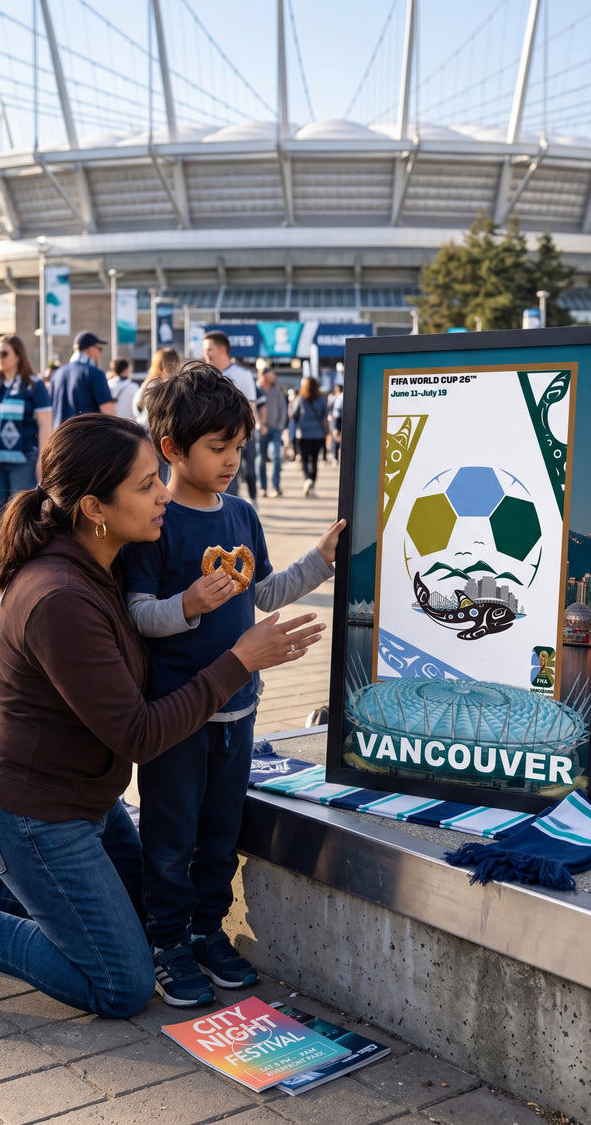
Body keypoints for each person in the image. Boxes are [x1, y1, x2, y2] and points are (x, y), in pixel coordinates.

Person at [0, 414, 324, 1015]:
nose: (165, 493)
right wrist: (240, 659)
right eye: (145, 485)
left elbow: (230, 600)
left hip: (87, 802)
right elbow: (140, 734)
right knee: (121, 983)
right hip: (33, 813)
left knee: (150, 918)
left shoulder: (107, 563)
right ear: (94, 508)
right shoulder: (61, 596)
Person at [120, 362, 345, 1007]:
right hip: (176, 718)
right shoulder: (156, 520)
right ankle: (165, 940)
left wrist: (320, 562)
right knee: (170, 834)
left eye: (239, 447)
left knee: (222, 830)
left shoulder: (242, 515)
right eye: (218, 448)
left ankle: (206, 929)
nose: (231, 460)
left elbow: (261, 594)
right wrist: (187, 602)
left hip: (239, 710)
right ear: (171, 449)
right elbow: (138, 614)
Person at [0, 335, 53, 525]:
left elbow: (45, 424)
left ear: (18, 355)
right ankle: (13, 545)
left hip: (24, 458)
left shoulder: (34, 386)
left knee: (22, 513)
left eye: (4, 353)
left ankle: (23, 552)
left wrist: (43, 460)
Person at [202, 332, 257, 503]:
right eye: (205, 350)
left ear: (222, 349)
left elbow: (250, 407)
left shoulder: (242, 375)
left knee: (245, 471)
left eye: (209, 349)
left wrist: (243, 435)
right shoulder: (204, 376)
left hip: (238, 436)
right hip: (213, 438)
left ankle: (248, 500)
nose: (206, 354)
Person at [134, 347, 181, 486]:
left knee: (150, 482)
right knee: (166, 481)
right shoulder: (174, 387)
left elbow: (137, 411)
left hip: (145, 438)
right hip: (166, 439)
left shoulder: (145, 385)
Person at [49, 332, 115, 426]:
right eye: (100, 349)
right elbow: (109, 414)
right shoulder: (95, 373)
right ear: (91, 349)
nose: (100, 353)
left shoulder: (56, 374)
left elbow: (49, 411)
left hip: (60, 436)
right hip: (87, 437)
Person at [289, 376, 329, 497]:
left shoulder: (300, 399)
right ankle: (312, 481)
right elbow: (324, 415)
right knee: (315, 460)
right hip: (318, 434)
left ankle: (307, 479)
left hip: (303, 434)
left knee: (304, 460)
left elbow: (294, 415)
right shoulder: (322, 399)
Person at [255, 366, 287, 497]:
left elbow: (282, 409)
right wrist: (259, 424)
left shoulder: (277, 390)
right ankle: (263, 487)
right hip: (259, 429)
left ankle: (276, 486)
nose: (274, 376)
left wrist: (280, 426)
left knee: (275, 456)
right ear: (264, 375)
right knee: (261, 458)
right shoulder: (255, 388)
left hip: (275, 429)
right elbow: (251, 407)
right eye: (271, 374)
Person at [329, 382, 345, 464]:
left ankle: (336, 457)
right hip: (340, 418)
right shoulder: (339, 396)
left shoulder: (339, 397)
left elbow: (337, 410)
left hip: (338, 418)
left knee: (335, 437)